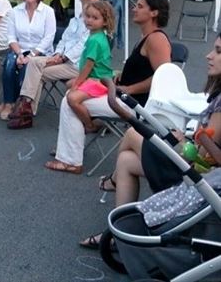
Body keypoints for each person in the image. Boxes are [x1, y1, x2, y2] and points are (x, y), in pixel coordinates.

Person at [80, 32, 221, 249]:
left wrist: (185, 142)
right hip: (199, 174)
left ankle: (114, 182)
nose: (209, 56)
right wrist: (186, 140)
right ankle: (119, 235)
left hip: (198, 179)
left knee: (133, 134)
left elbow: (201, 157)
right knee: (127, 160)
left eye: (218, 51)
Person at [45, 0, 172, 174]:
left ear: (154, 13)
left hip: (134, 104)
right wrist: (119, 78)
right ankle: (74, 147)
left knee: (69, 100)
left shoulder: (156, 39)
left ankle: (71, 159)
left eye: (140, 6)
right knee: (71, 97)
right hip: (122, 95)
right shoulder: (146, 38)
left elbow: (163, 76)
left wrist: (129, 88)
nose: (134, 9)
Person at [7, 0, 100, 129]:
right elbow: (63, 40)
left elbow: (83, 45)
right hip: (61, 60)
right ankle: (26, 111)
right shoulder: (74, 20)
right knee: (33, 62)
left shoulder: (95, 21)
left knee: (36, 69)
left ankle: (25, 111)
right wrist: (57, 54)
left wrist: (62, 58)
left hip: (78, 65)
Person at [0, 0, 56, 120]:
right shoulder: (15, 11)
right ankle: (9, 103)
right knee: (9, 63)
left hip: (40, 52)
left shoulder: (48, 12)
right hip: (19, 49)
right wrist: (20, 54)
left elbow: (48, 38)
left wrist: (31, 55)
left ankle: (19, 104)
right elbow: (11, 37)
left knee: (27, 67)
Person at [67, 0, 115, 133]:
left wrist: (78, 83)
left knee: (72, 98)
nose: (89, 20)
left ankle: (89, 124)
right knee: (68, 85)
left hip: (98, 80)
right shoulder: (97, 36)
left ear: (104, 22)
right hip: (98, 77)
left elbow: (88, 66)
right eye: (87, 16)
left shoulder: (94, 40)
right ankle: (91, 116)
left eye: (95, 18)